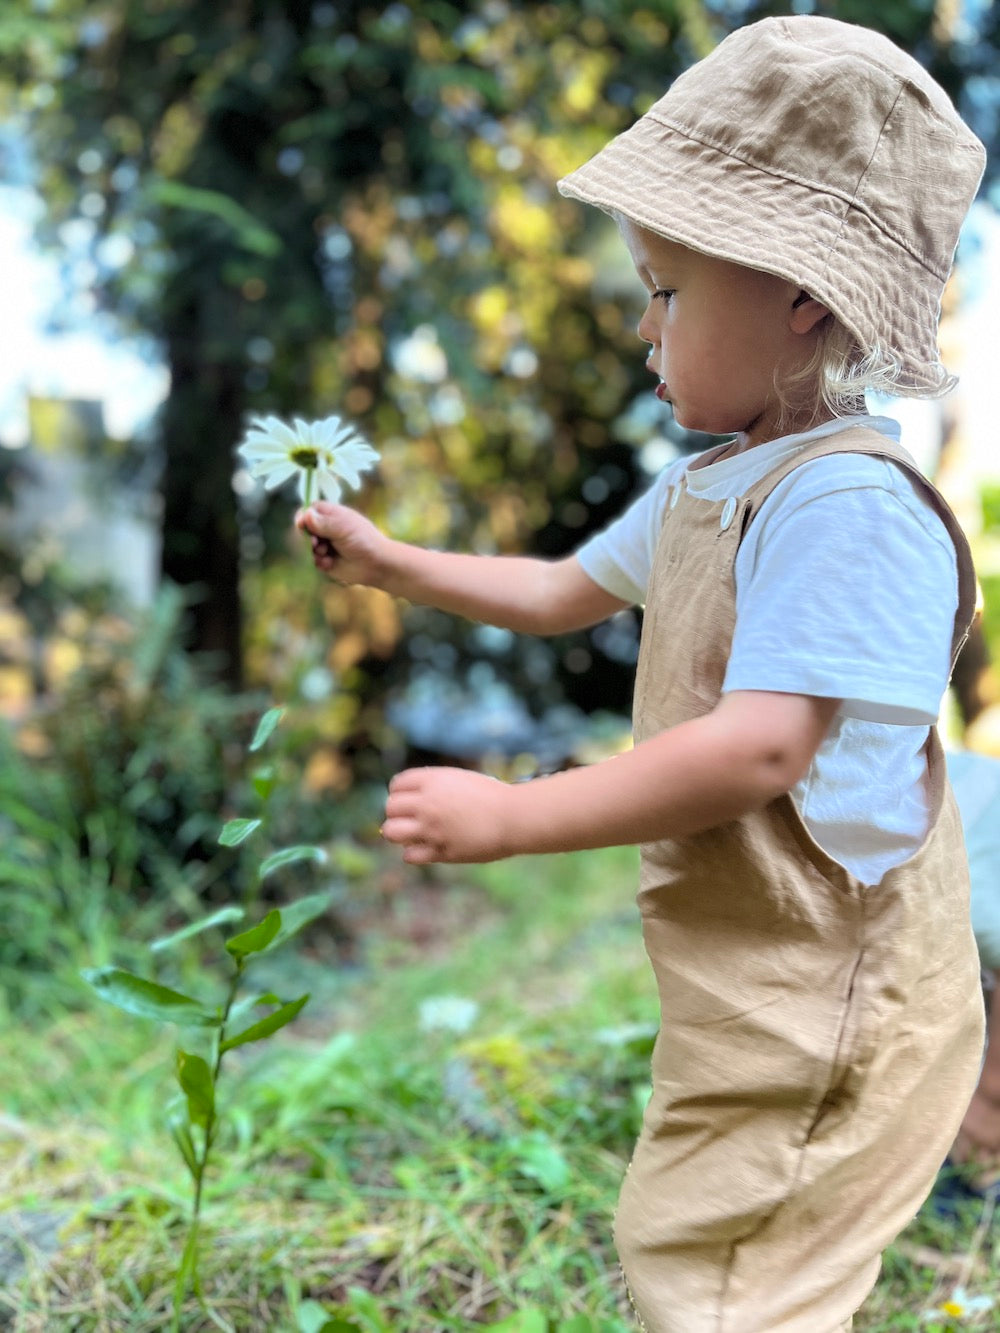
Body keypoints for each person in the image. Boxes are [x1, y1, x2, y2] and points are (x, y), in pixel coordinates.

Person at [298, 17, 986, 1331]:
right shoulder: (711, 481)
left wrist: (518, 813)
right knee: (698, 1227)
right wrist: (397, 566)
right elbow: (563, 593)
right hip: (751, 967)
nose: (642, 326)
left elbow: (760, 748)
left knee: (738, 1272)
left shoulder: (847, 505)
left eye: (667, 290)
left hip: (837, 989)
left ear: (802, 292)